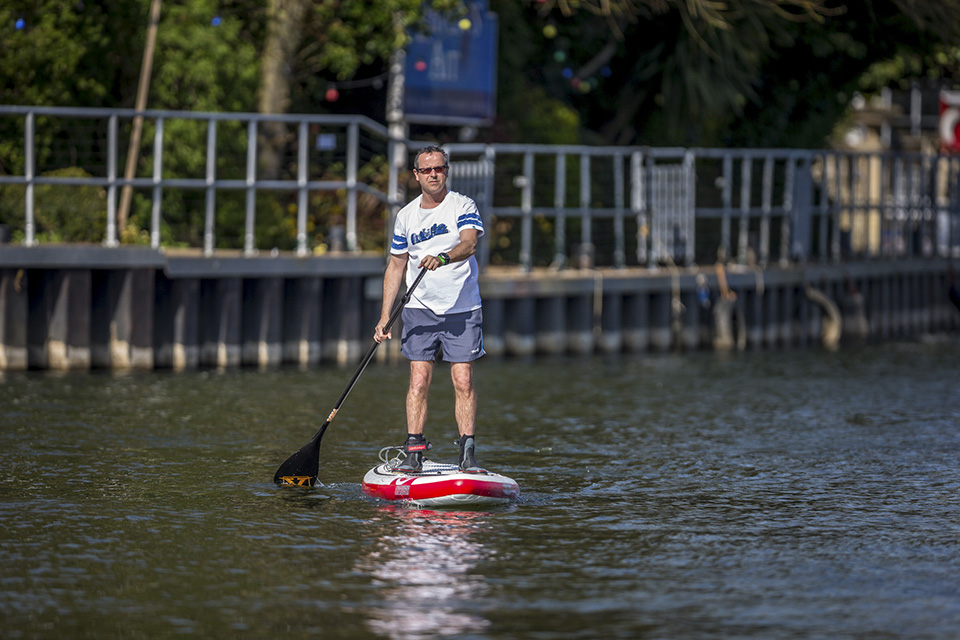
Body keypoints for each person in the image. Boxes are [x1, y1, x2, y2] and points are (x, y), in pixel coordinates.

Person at [374, 145, 485, 473]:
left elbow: (469, 242)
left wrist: (442, 257)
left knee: (463, 379)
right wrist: (384, 317)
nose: (434, 174)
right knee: (419, 379)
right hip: (419, 308)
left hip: (461, 307)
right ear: (416, 175)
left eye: (439, 168)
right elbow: (395, 267)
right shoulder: (406, 215)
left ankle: (467, 452)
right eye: (427, 170)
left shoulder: (462, 205)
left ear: (446, 171)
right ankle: (414, 450)